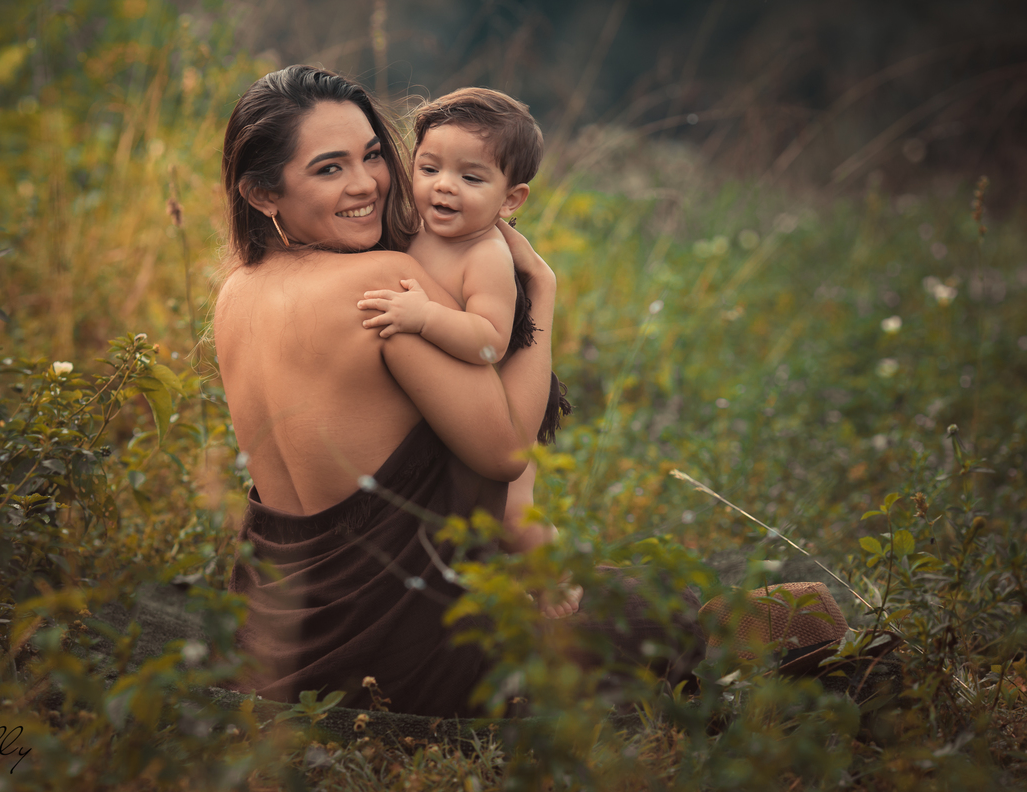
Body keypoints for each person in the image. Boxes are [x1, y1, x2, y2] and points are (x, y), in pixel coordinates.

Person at [215, 65, 702, 718]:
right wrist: (543, 292)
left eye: (372, 155)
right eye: (329, 168)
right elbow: (505, 454)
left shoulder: (236, 290)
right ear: (262, 193)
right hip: (401, 652)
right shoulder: (386, 280)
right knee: (662, 606)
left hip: (276, 645)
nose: (366, 184)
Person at [355, 87, 578, 618]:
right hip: (454, 402)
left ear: (510, 200)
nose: (444, 187)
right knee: (465, 513)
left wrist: (424, 317)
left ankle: (559, 581)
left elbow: (489, 339)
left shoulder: (485, 254)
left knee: (512, 517)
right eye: (429, 168)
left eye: (471, 178)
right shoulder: (417, 227)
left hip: (500, 398)